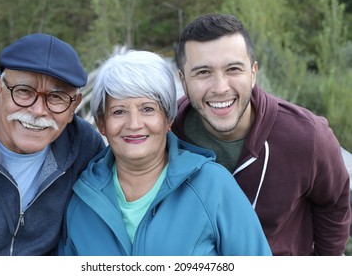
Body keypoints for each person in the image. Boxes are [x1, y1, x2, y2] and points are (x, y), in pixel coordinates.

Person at [58, 50, 271, 256]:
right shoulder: (82, 200)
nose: (134, 124)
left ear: (168, 119)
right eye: (119, 111)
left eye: (147, 109)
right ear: (102, 124)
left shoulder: (213, 186)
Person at [172, 13, 351, 255]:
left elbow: (334, 203)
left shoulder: (307, 136)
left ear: (253, 72)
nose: (220, 87)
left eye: (233, 69)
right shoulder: (166, 135)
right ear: (183, 80)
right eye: (203, 72)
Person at [0, 33, 106, 255]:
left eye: (56, 97)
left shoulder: (85, 147)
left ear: (74, 106)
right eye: (24, 91)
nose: (38, 111)